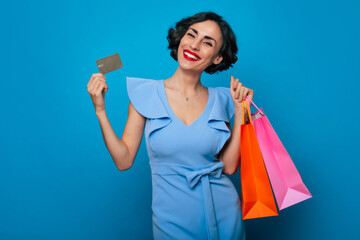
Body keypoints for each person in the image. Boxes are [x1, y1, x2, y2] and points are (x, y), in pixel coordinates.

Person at [87, 11, 254, 240]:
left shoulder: (224, 99)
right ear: (181, 38)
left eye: (207, 42)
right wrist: (100, 110)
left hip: (224, 215)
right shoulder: (145, 94)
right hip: (172, 221)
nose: (194, 45)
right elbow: (123, 160)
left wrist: (241, 112)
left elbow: (229, 167)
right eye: (191, 35)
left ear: (217, 58)